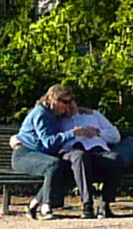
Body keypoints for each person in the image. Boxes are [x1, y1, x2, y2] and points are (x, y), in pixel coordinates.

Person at [11, 82, 83, 218]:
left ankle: (34, 204)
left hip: (39, 155)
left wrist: (79, 110)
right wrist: (73, 133)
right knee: (53, 165)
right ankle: (46, 207)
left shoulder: (55, 115)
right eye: (64, 102)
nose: (67, 106)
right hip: (25, 154)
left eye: (69, 102)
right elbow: (48, 142)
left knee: (65, 167)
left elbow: (73, 114)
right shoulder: (41, 114)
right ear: (52, 99)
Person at [63, 104, 129, 218]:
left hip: (98, 152)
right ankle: (87, 205)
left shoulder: (93, 115)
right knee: (80, 157)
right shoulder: (58, 120)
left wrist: (98, 132)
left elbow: (116, 136)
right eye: (66, 104)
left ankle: (105, 205)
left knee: (115, 159)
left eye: (71, 102)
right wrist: (72, 134)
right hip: (75, 153)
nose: (70, 107)